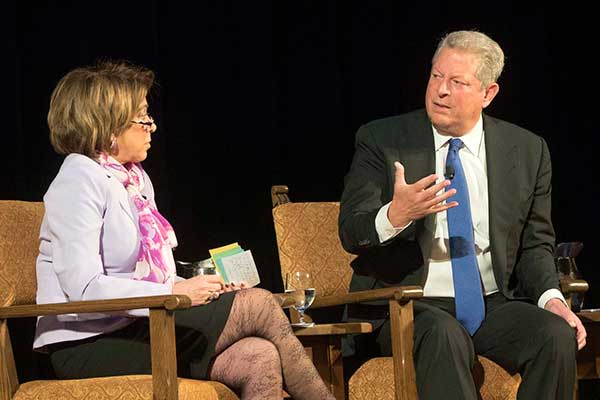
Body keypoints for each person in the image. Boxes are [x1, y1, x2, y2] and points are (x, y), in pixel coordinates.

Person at [33, 61, 335, 400]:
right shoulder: (78, 179)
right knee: (260, 305)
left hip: (138, 326)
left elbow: (140, 277)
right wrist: (174, 295)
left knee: (258, 355)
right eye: (143, 118)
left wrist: (200, 289)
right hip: (86, 343)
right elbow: (83, 287)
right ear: (109, 128)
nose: (153, 127)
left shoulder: (133, 181)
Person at [339, 30, 586, 399]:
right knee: (444, 333)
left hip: (490, 302)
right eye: (436, 76)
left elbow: (536, 244)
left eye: (457, 82)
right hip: (407, 306)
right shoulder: (382, 139)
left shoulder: (527, 150)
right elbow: (351, 230)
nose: (440, 90)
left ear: (488, 94)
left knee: (554, 334)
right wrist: (395, 214)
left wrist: (551, 297)